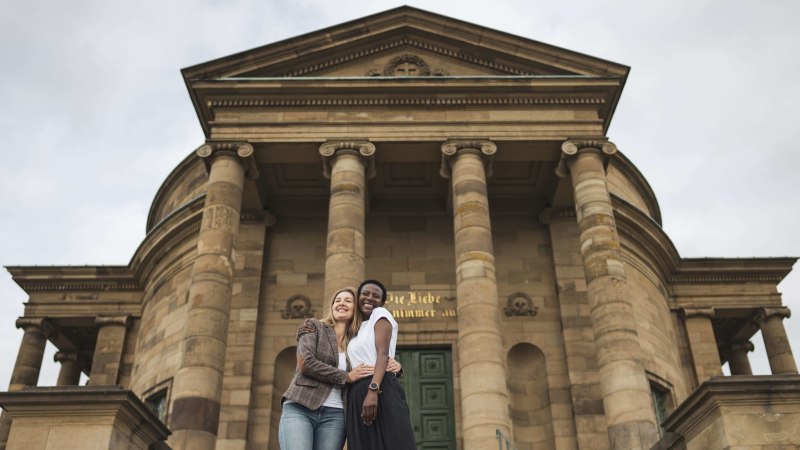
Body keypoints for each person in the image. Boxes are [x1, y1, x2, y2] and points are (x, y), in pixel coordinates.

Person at [279, 287, 402, 450]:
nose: (341, 303)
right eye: (338, 300)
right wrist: (346, 376)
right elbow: (306, 363)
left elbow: (376, 362)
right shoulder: (314, 327)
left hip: (336, 415)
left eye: (348, 301)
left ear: (355, 309)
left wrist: (397, 368)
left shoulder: (357, 342)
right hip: (301, 406)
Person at [346, 279, 416, 449]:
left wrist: (373, 390)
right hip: (356, 394)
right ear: (358, 297)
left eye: (376, 296)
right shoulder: (353, 329)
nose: (370, 298)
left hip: (380, 388)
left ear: (382, 302)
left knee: (395, 443)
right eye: (365, 294)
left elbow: (382, 354)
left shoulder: (380, 314)